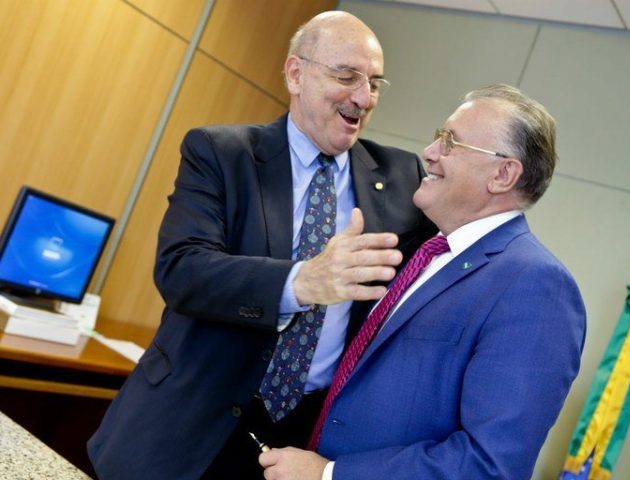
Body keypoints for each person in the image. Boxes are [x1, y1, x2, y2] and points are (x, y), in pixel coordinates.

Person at [87, 10, 436, 480]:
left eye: (374, 83)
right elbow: (181, 269)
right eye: (346, 76)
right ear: (296, 74)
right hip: (184, 423)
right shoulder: (221, 153)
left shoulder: (401, 177)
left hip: (296, 443)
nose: (363, 97)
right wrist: (301, 282)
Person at [258, 84, 587, 480]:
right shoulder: (423, 252)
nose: (430, 152)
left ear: (502, 174)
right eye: (437, 137)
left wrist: (331, 474)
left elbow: (490, 464)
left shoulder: (537, 286)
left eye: (451, 142)